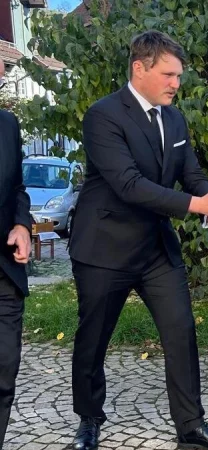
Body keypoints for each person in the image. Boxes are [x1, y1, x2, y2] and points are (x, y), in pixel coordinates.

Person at [68, 31, 208, 450]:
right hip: (103, 247)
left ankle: (191, 427)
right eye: (168, 74)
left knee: (181, 331)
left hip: (156, 251)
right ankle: (89, 420)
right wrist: (198, 205)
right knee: (94, 338)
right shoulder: (102, 115)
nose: (175, 84)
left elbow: (192, 174)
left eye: (178, 75)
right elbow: (129, 185)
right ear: (139, 68)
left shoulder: (175, 119)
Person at [0, 61, 32, 447]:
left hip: (6, 273)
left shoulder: (8, 124)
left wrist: (22, 225)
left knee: (4, 373)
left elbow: (18, 187)